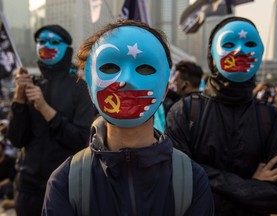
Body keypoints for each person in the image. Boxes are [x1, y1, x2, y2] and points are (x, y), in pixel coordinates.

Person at [41, 19, 214, 216]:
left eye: (145, 69)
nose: (126, 80)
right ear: (90, 86)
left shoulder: (191, 181)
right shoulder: (65, 182)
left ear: (165, 89)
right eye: (110, 68)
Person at [165, 16, 277, 216]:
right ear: (212, 55)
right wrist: (252, 187)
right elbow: (179, 185)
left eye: (249, 44)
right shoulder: (185, 111)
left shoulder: (271, 118)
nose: (240, 50)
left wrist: (207, 182)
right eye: (229, 43)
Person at [7, 24, 95, 216]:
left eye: (54, 42)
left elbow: (80, 140)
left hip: (65, 186)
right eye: (41, 41)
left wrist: (45, 109)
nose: (46, 45)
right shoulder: (32, 83)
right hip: (27, 187)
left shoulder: (80, 88)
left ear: (67, 48)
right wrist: (19, 101)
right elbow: (16, 139)